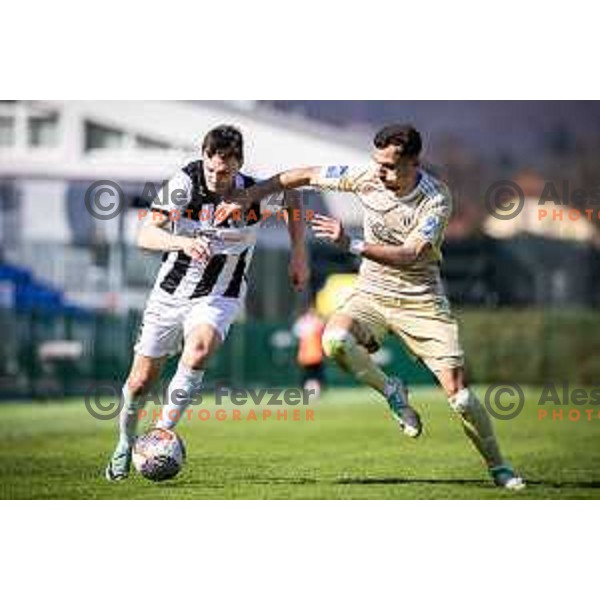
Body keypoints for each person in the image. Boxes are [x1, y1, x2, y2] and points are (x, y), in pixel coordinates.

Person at [224, 123, 525, 490]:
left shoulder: (436, 198)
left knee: (460, 397)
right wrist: (249, 195)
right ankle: (393, 393)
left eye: (388, 165)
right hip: (372, 293)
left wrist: (348, 243)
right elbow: (302, 175)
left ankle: (499, 467)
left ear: (413, 163)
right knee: (333, 341)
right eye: (376, 161)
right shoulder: (366, 178)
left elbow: (410, 254)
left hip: (422, 301)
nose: (379, 171)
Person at [105, 125, 309, 481]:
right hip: (169, 293)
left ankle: (160, 433)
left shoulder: (253, 193)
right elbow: (145, 234)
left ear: (239, 164)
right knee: (139, 383)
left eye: (225, 172)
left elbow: (293, 196)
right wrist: (182, 243)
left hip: (221, 294)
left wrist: (298, 255)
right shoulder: (185, 183)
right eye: (211, 168)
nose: (216, 177)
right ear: (203, 157)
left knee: (198, 349)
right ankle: (125, 442)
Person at [293, 304, 326, 398]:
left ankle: (310, 391)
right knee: (313, 375)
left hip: (309, 355)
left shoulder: (302, 322)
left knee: (310, 375)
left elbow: (296, 333)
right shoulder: (316, 322)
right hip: (312, 354)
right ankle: (312, 392)